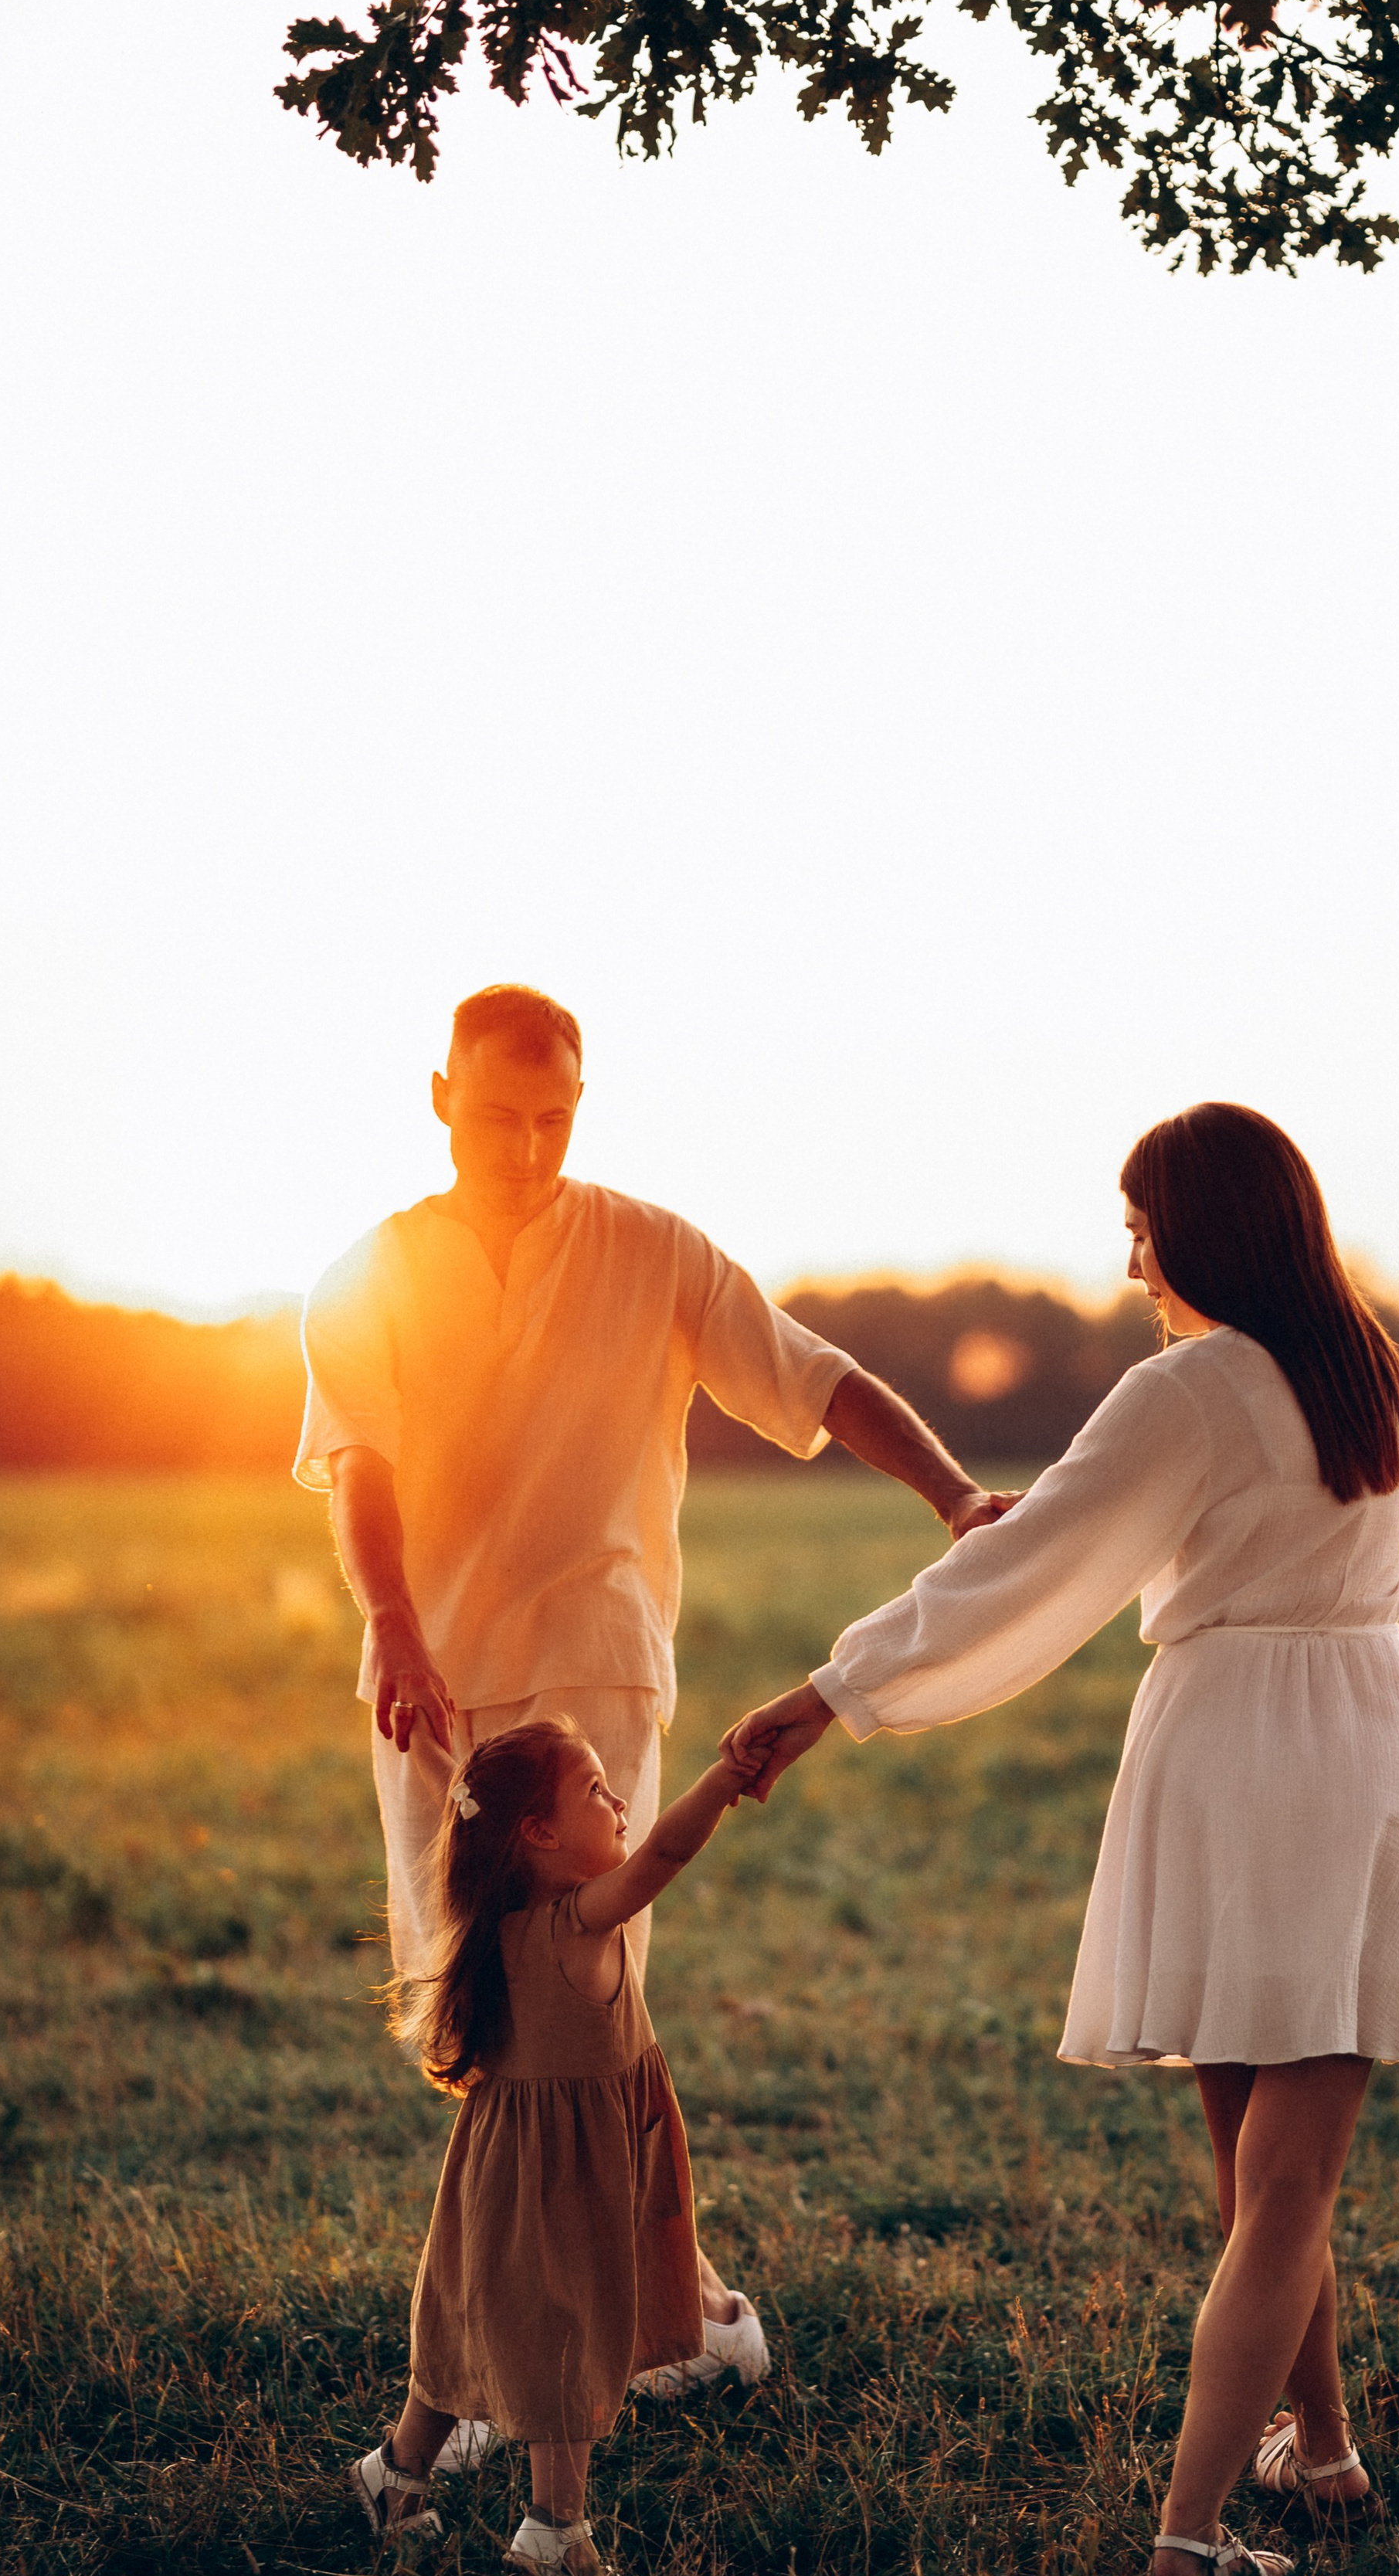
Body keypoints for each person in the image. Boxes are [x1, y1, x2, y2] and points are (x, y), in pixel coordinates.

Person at [726, 1103, 1399, 2576]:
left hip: (1230, 1752)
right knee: (1275, 2173)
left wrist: (829, 1691)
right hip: (1362, 1742)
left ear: (1203, 1228)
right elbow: (1172, 1521)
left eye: (1142, 1228)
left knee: (1267, 2176)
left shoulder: (1190, 1385)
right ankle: (1321, 2448)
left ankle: (1186, 2536)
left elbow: (1035, 1564)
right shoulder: (1367, 1370)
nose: (1130, 1259)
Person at [297, 982, 1012, 2406]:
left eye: (554, 1116)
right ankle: (679, 2309)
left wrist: (954, 1497)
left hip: (594, 1674)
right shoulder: (369, 1273)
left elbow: (818, 1380)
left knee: (572, 2024)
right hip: (431, 1686)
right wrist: (390, 1622)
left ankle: (547, 2362)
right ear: (440, 1101)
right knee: (479, 2027)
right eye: (498, 1116)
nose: (527, 1145)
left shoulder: (653, 1250)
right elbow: (360, 1462)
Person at [348, 1716, 765, 2576]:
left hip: (539, 2171)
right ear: (539, 1833)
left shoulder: (512, 1926)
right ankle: (554, 2534)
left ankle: (397, 2472)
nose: (619, 1803)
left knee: (483, 2329)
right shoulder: (571, 1924)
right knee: (564, 2341)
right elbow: (662, 1856)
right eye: (597, 1791)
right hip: (549, 2181)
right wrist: (725, 1779)